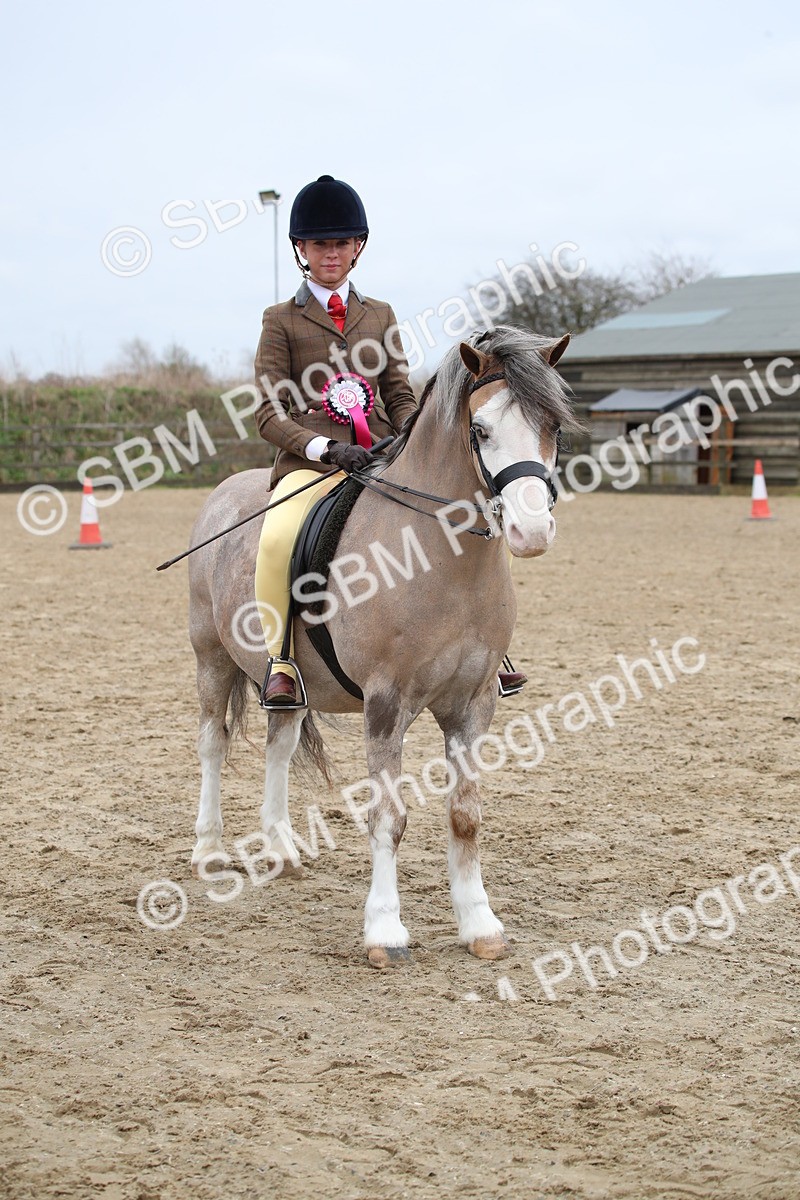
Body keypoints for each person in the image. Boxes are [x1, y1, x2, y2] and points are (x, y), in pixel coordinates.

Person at [253, 174, 417, 707]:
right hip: (312, 464)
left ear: (357, 247)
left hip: (381, 459)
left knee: (462, 515)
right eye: (321, 243)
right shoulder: (280, 320)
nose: (332, 253)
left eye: (341, 243)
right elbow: (268, 411)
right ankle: (281, 659)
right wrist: (323, 448)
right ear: (301, 249)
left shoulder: (382, 314)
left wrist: (410, 437)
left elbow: (398, 393)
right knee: (278, 536)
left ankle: (486, 649)